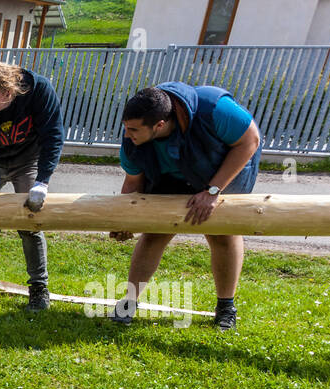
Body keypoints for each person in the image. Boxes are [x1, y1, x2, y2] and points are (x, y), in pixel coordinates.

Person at [109, 84, 262, 330]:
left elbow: (250, 141)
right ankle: (129, 301)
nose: (127, 135)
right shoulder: (133, 140)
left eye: (134, 129)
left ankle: (225, 307)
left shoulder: (214, 109)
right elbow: (133, 183)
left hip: (220, 169)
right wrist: (126, 221)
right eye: (126, 127)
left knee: (222, 233)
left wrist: (213, 191)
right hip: (172, 176)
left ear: (159, 125)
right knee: (154, 233)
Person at [0, 62, 64, 311]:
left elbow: (53, 135)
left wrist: (43, 181)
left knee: (29, 221)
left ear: (8, 93)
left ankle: (39, 289)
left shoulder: (40, 92)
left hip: (27, 162)